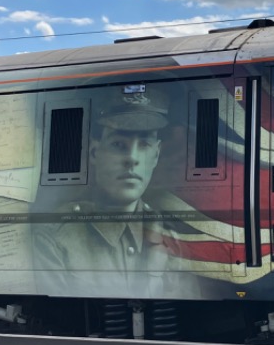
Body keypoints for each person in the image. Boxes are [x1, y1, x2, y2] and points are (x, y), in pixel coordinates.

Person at [33, 85, 193, 300]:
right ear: (94, 152)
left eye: (144, 144)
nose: (132, 158)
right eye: (119, 144)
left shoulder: (169, 236)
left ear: (156, 156)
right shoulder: (57, 237)